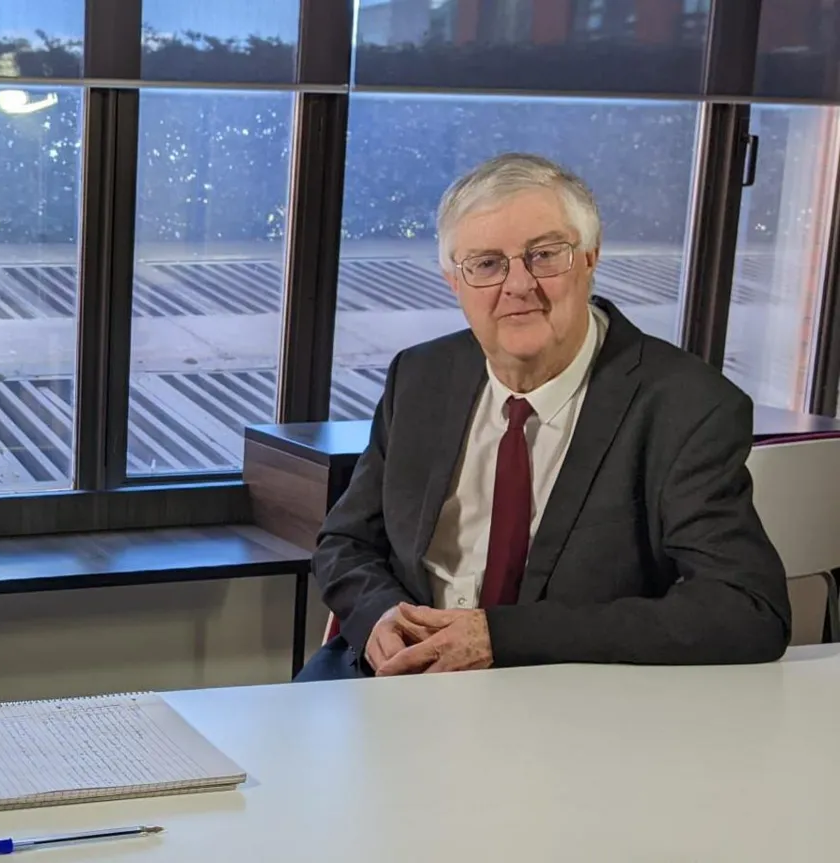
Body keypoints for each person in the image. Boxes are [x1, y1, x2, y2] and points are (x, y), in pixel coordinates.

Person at [295, 152, 791, 682]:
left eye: (544, 255)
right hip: (394, 680)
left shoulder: (687, 405)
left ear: (591, 258)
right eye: (486, 264)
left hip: (563, 697)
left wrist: (501, 638)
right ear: (452, 282)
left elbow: (748, 610)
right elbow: (345, 543)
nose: (518, 285)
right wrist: (379, 618)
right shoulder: (420, 377)